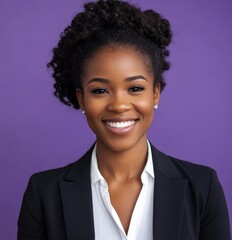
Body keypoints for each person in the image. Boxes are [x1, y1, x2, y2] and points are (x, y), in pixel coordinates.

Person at [17, 0, 231, 239]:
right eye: (100, 90)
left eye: (135, 88)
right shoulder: (44, 193)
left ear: (155, 93)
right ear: (81, 98)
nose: (119, 105)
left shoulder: (202, 187)